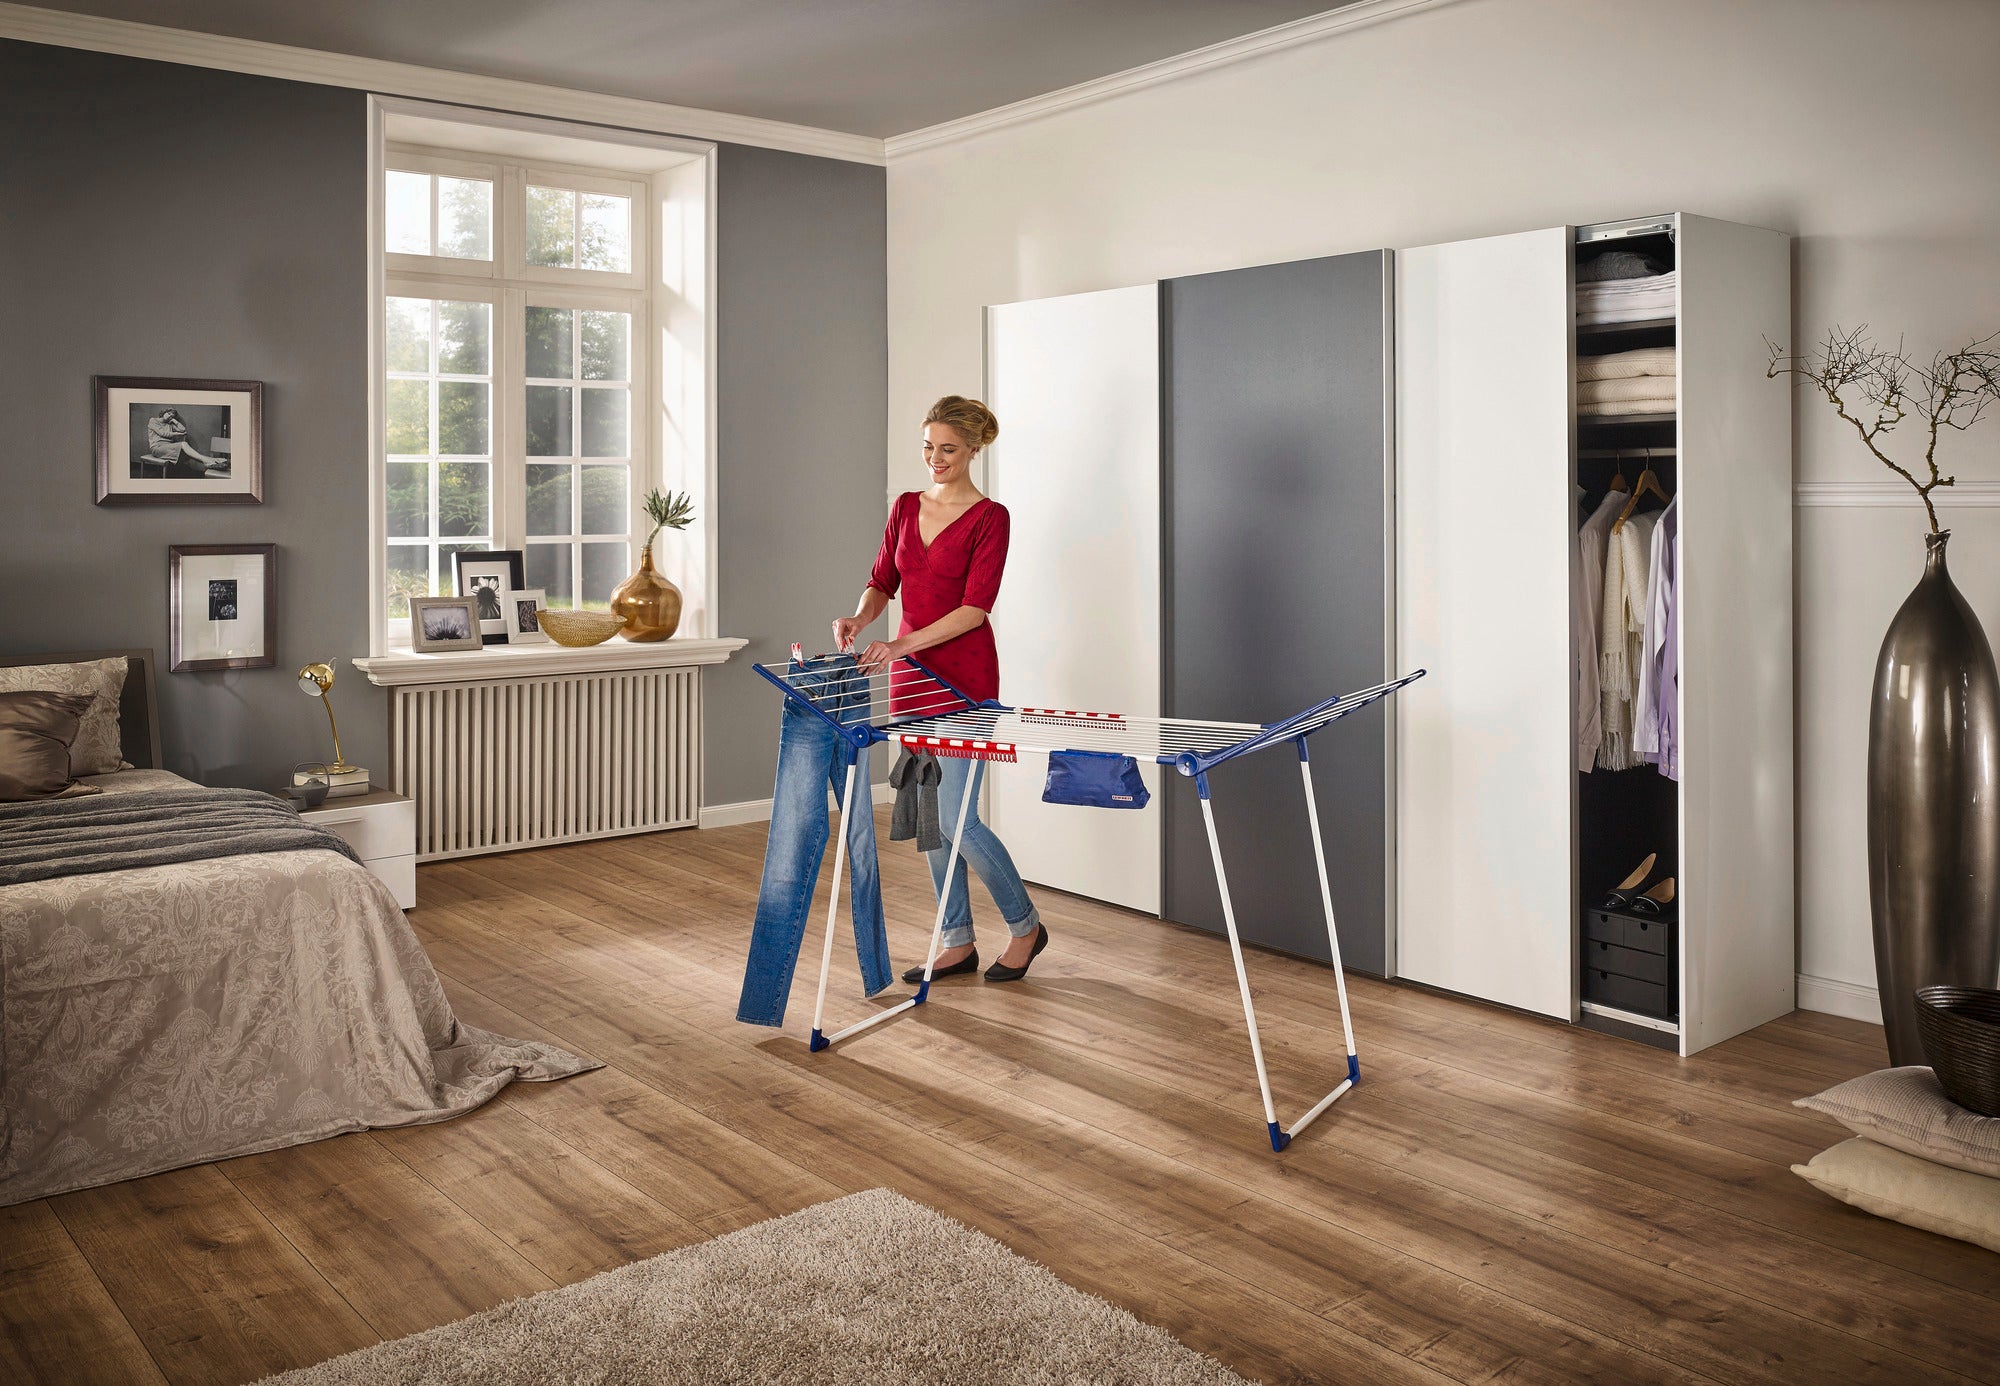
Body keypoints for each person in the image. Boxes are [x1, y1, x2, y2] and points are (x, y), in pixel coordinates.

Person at [834, 395, 1048, 984]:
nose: (935, 458)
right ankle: (956, 940)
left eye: (948, 449)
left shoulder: (989, 518)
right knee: (928, 812)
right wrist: (861, 619)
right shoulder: (905, 507)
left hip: (962, 680)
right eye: (928, 447)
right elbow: (882, 582)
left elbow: (975, 611)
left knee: (955, 815)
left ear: (975, 449)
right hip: (908, 678)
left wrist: (900, 645)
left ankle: (1026, 926)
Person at [142, 409, 229, 479]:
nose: (169, 416)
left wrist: (174, 421)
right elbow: (163, 433)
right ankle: (211, 460)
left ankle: (210, 461)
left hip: (167, 447)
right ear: (163, 412)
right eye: (168, 414)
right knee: (183, 444)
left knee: (187, 450)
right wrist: (176, 434)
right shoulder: (153, 420)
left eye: (172, 416)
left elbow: (182, 429)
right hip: (157, 448)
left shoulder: (170, 424)